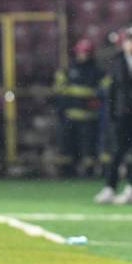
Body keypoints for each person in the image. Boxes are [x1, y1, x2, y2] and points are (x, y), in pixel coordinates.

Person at [94, 27, 132, 204]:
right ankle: (110, 187)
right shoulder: (118, 61)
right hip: (121, 114)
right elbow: (113, 90)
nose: (130, 44)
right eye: (128, 40)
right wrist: (112, 113)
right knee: (117, 152)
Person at [53, 38, 105, 177]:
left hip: (89, 117)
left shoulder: (97, 71)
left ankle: (89, 173)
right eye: (82, 52)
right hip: (70, 116)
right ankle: (67, 172)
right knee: (67, 147)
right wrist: (85, 95)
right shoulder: (68, 70)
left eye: (86, 52)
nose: (84, 55)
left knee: (88, 149)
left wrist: (78, 94)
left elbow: (103, 92)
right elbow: (60, 90)